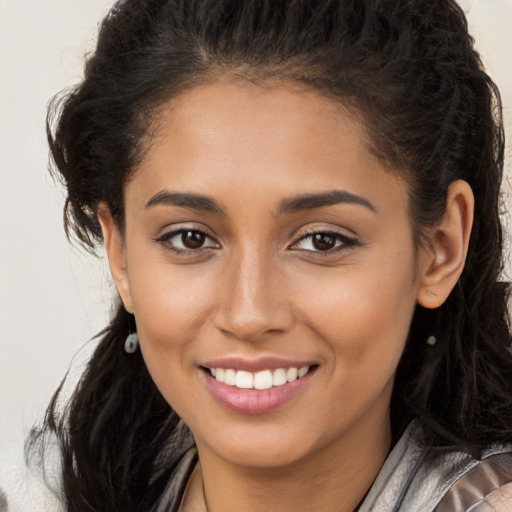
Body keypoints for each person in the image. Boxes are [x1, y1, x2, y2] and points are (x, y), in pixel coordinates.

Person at [21, 0, 512, 510]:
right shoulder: (60, 489)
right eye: (190, 238)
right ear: (120, 254)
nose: (249, 314)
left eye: (323, 240)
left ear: (440, 248)